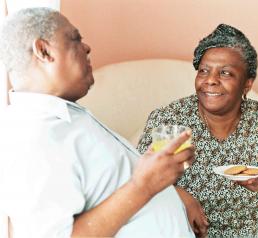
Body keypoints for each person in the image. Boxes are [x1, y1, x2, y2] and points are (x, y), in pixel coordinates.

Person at [0, 8, 195, 238]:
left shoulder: (66, 116)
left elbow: (109, 187)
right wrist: (145, 186)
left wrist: (169, 190)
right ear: (43, 51)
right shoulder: (32, 137)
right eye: (75, 39)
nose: (86, 47)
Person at [137, 23, 258, 237]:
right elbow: (141, 183)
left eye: (225, 73)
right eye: (204, 71)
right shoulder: (171, 119)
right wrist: (182, 196)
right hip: (190, 233)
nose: (210, 80)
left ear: (247, 84)